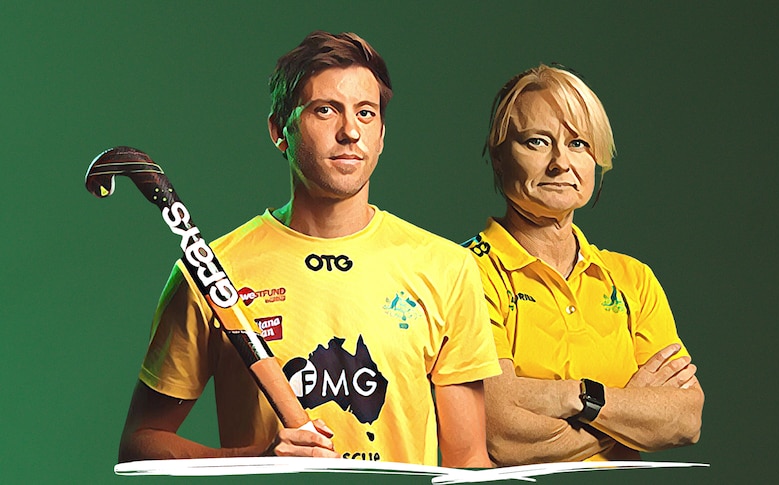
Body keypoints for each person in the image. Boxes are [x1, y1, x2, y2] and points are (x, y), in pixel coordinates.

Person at [118, 31, 500, 467]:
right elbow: (140, 443)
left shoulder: (447, 268)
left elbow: (468, 460)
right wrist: (255, 459)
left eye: (366, 113)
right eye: (325, 111)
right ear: (281, 131)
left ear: (381, 135)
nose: (350, 131)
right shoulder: (211, 270)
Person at [464, 64, 704, 465]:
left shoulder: (633, 280)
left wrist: (573, 401)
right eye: (537, 142)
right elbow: (501, 435)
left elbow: (684, 419)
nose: (561, 162)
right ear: (499, 156)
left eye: (579, 144)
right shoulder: (465, 273)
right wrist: (625, 407)